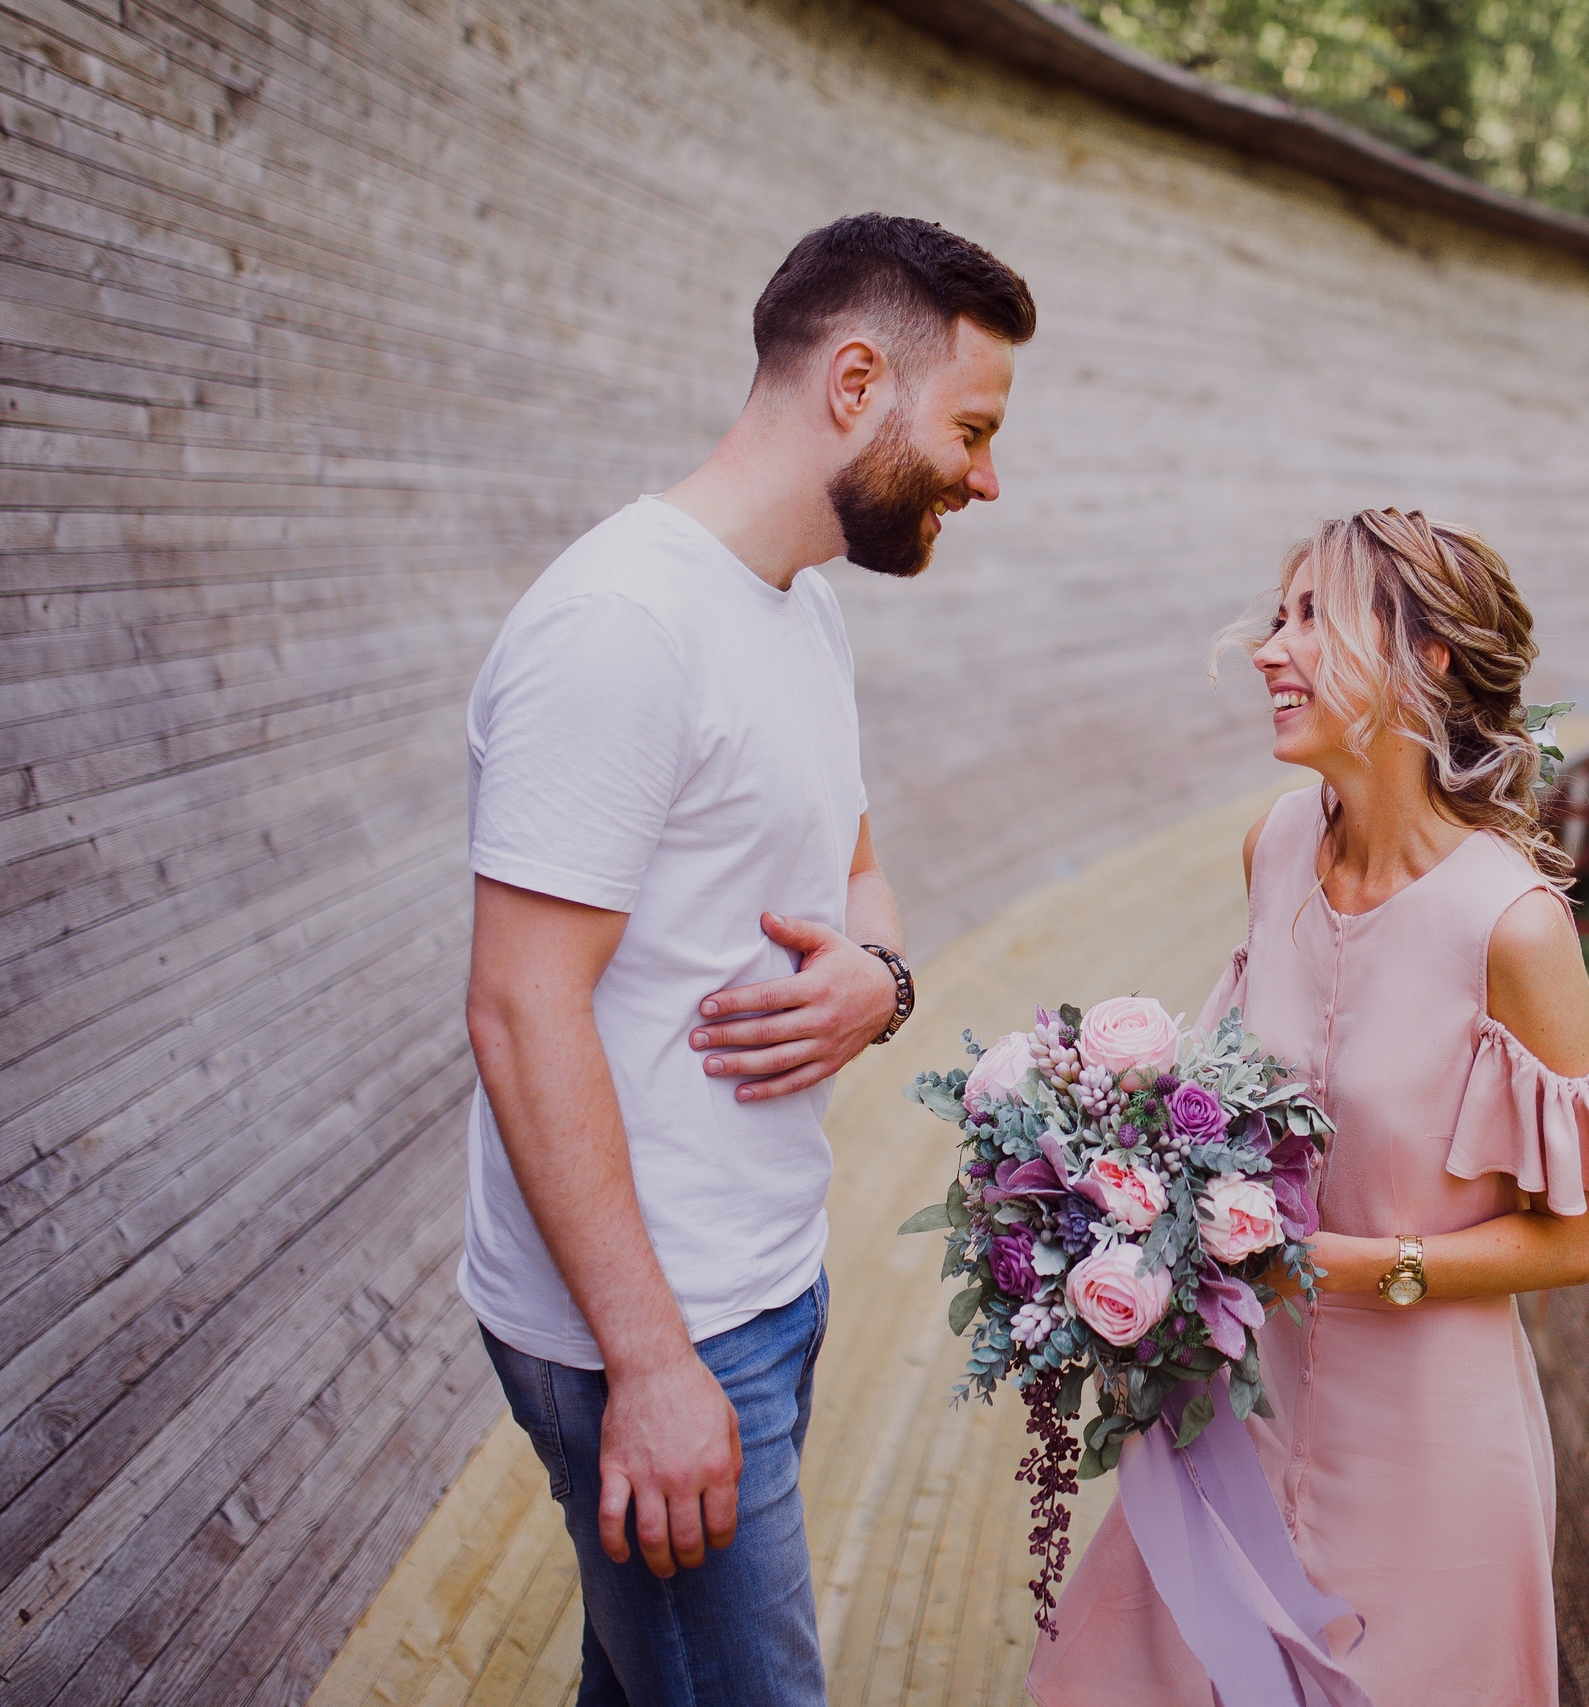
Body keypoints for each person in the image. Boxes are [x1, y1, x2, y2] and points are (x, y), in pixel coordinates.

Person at [460, 214, 1033, 1707]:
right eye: (972, 428)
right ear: (857, 382)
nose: (987, 476)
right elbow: (521, 1010)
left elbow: (854, 870)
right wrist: (650, 1367)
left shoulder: (803, 605)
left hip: (765, 1273)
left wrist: (881, 979)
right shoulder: (621, 626)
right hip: (648, 1326)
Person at [1027, 508, 1589, 1706]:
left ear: (1426, 655)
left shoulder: (1512, 927)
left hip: (1427, 1459)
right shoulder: (1274, 846)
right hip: (1235, 1412)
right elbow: (1219, 1107)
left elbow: (1579, 1240)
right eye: (1278, 616)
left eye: (1311, 615)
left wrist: (1341, 1267)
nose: (1270, 647)